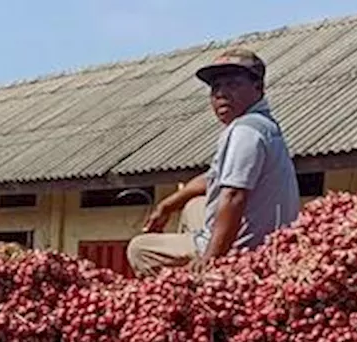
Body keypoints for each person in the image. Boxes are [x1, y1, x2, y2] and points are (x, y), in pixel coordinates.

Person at [127, 48, 300, 276]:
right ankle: (197, 257)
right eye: (216, 88)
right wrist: (167, 205)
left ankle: (191, 288)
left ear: (258, 88)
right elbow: (212, 179)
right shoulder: (264, 125)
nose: (221, 94)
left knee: (139, 249)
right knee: (193, 206)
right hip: (271, 237)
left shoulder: (245, 130)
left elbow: (235, 197)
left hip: (246, 251)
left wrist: (211, 257)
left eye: (232, 85)